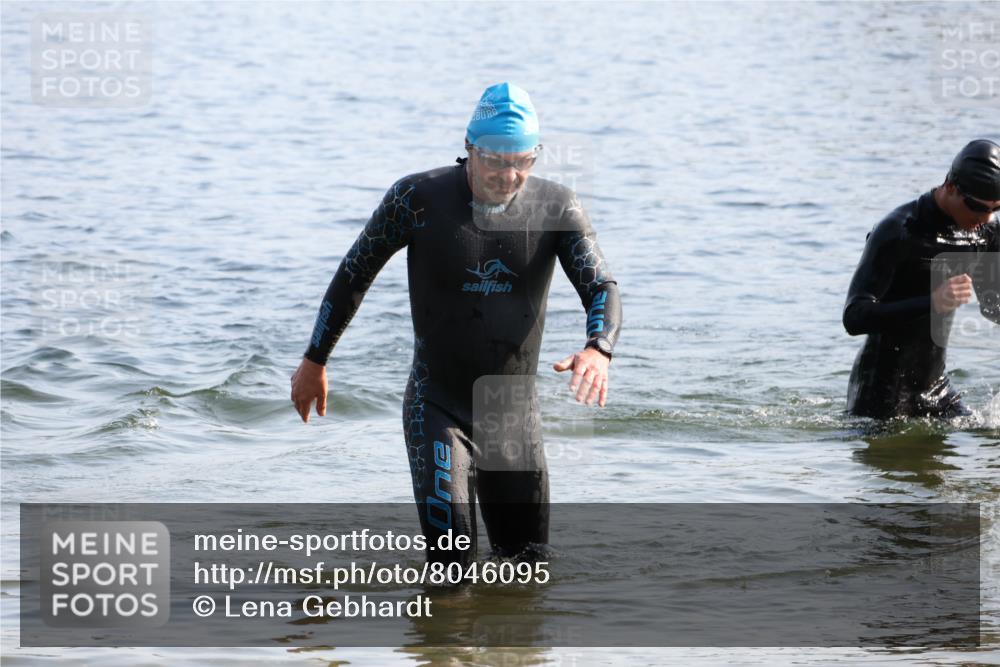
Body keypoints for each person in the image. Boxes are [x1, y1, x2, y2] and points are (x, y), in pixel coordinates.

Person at [290, 83, 622, 563]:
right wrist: (315, 360)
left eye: (523, 161)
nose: (509, 175)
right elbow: (354, 273)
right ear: (469, 148)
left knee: (527, 568)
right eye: (495, 161)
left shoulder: (557, 207)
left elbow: (601, 286)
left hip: (513, 416)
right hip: (437, 406)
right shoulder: (416, 198)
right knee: (452, 570)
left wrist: (599, 347)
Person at [843, 139, 1000, 419]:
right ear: (950, 186)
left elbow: (993, 306)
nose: (986, 218)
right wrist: (932, 302)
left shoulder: (983, 232)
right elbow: (854, 317)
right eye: (977, 207)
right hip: (881, 393)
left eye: (996, 208)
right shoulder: (899, 230)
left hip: (937, 389)